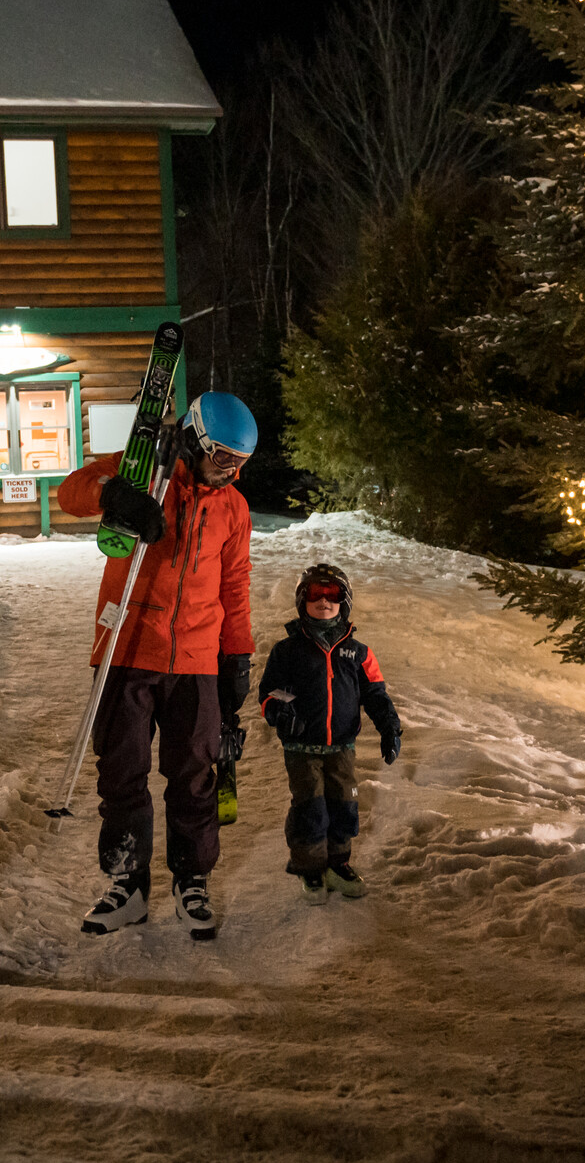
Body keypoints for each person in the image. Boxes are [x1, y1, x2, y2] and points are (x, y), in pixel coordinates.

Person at [54, 391, 258, 940]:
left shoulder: (233, 509)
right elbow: (70, 492)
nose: (230, 473)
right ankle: (129, 885)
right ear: (195, 439)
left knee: (194, 775)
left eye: (240, 464)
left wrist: (237, 653)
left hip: (196, 659)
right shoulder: (145, 470)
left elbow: (234, 585)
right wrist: (115, 493)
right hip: (127, 646)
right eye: (222, 459)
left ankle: (192, 879)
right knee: (122, 771)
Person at [258, 563, 401, 905]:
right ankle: (310, 866)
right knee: (311, 807)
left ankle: (338, 863)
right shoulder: (287, 650)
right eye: (314, 594)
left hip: (341, 747)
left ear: (345, 601)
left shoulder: (359, 653)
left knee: (344, 803)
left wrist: (389, 728)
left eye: (332, 594)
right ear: (301, 600)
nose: (323, 601)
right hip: (301, 746)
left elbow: (376, 695)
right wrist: (280, 712)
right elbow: (270, 692)